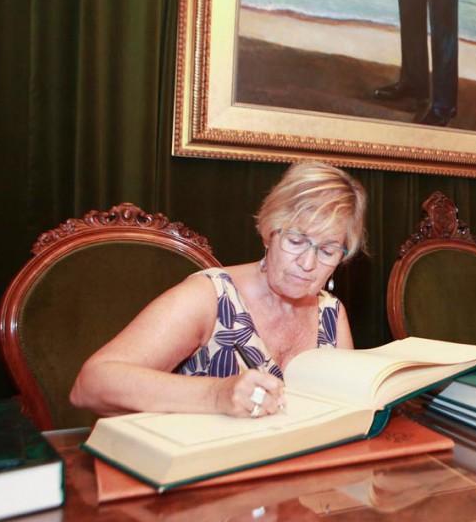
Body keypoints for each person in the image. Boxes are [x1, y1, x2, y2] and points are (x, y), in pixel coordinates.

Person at [70, 162, 367, 418]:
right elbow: (90, 385)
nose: (307, 263)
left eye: (327, 250)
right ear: (268, 233)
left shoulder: (331, 314)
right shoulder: (209, 297)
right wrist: (215, 395)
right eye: (296, 241)